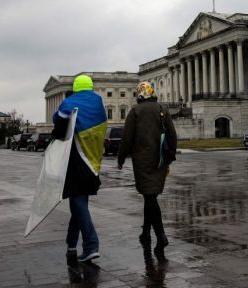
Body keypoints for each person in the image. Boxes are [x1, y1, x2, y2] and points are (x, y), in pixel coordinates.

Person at [51, 74, 108, 264]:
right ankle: (72, 243)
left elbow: (59, 130)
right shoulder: (99, 103)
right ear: (91, 87)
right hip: (94, 161)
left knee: (78, 202)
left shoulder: (69, 103)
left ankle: (91, 245)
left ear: (75, 88)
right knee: (78, 202)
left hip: (77, 161)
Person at [117, 81, 177, 255]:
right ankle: (145, 233)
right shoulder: (162, 109)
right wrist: (170, 156)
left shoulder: (135, 111)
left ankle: (161, 235)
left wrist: (121, 158)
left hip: (142, 161)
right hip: (160, 160)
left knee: (150, 197)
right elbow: (172, 135)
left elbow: (127, 139)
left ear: (140, 94)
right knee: (149, 196)